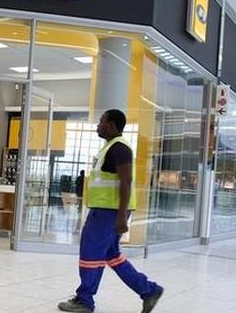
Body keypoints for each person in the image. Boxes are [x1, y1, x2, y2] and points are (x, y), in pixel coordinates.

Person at [58, 109, 164, 313]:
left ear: (113, 125)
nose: (98, 125)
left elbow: (126, 181)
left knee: (90, 253)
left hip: (109, 212)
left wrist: (122, 216)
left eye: (101, 122)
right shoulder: (109, 148)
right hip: (106, 210)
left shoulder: (119, 149)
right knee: (112, 255)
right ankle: (149, 290)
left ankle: (85, 300)